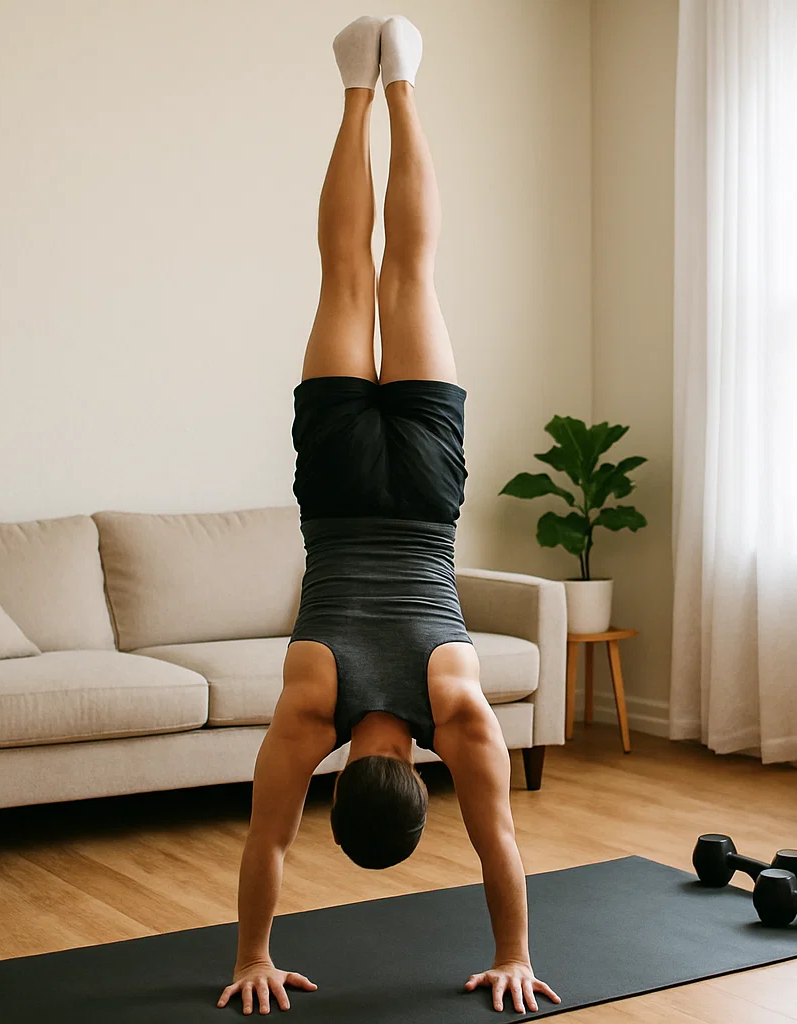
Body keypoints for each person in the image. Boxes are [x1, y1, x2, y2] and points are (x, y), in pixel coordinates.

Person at [216, 15, 561, 1018]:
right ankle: (357, 90)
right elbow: (267, 842)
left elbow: (498, 840)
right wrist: (252, 958)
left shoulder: (455, 705)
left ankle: (402, 83)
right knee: (348, 274)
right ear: (346, 786)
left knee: (408, 275)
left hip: (421, 495)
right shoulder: (307, 707)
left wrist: (515, 956)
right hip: (334, 491)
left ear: (419, 774)